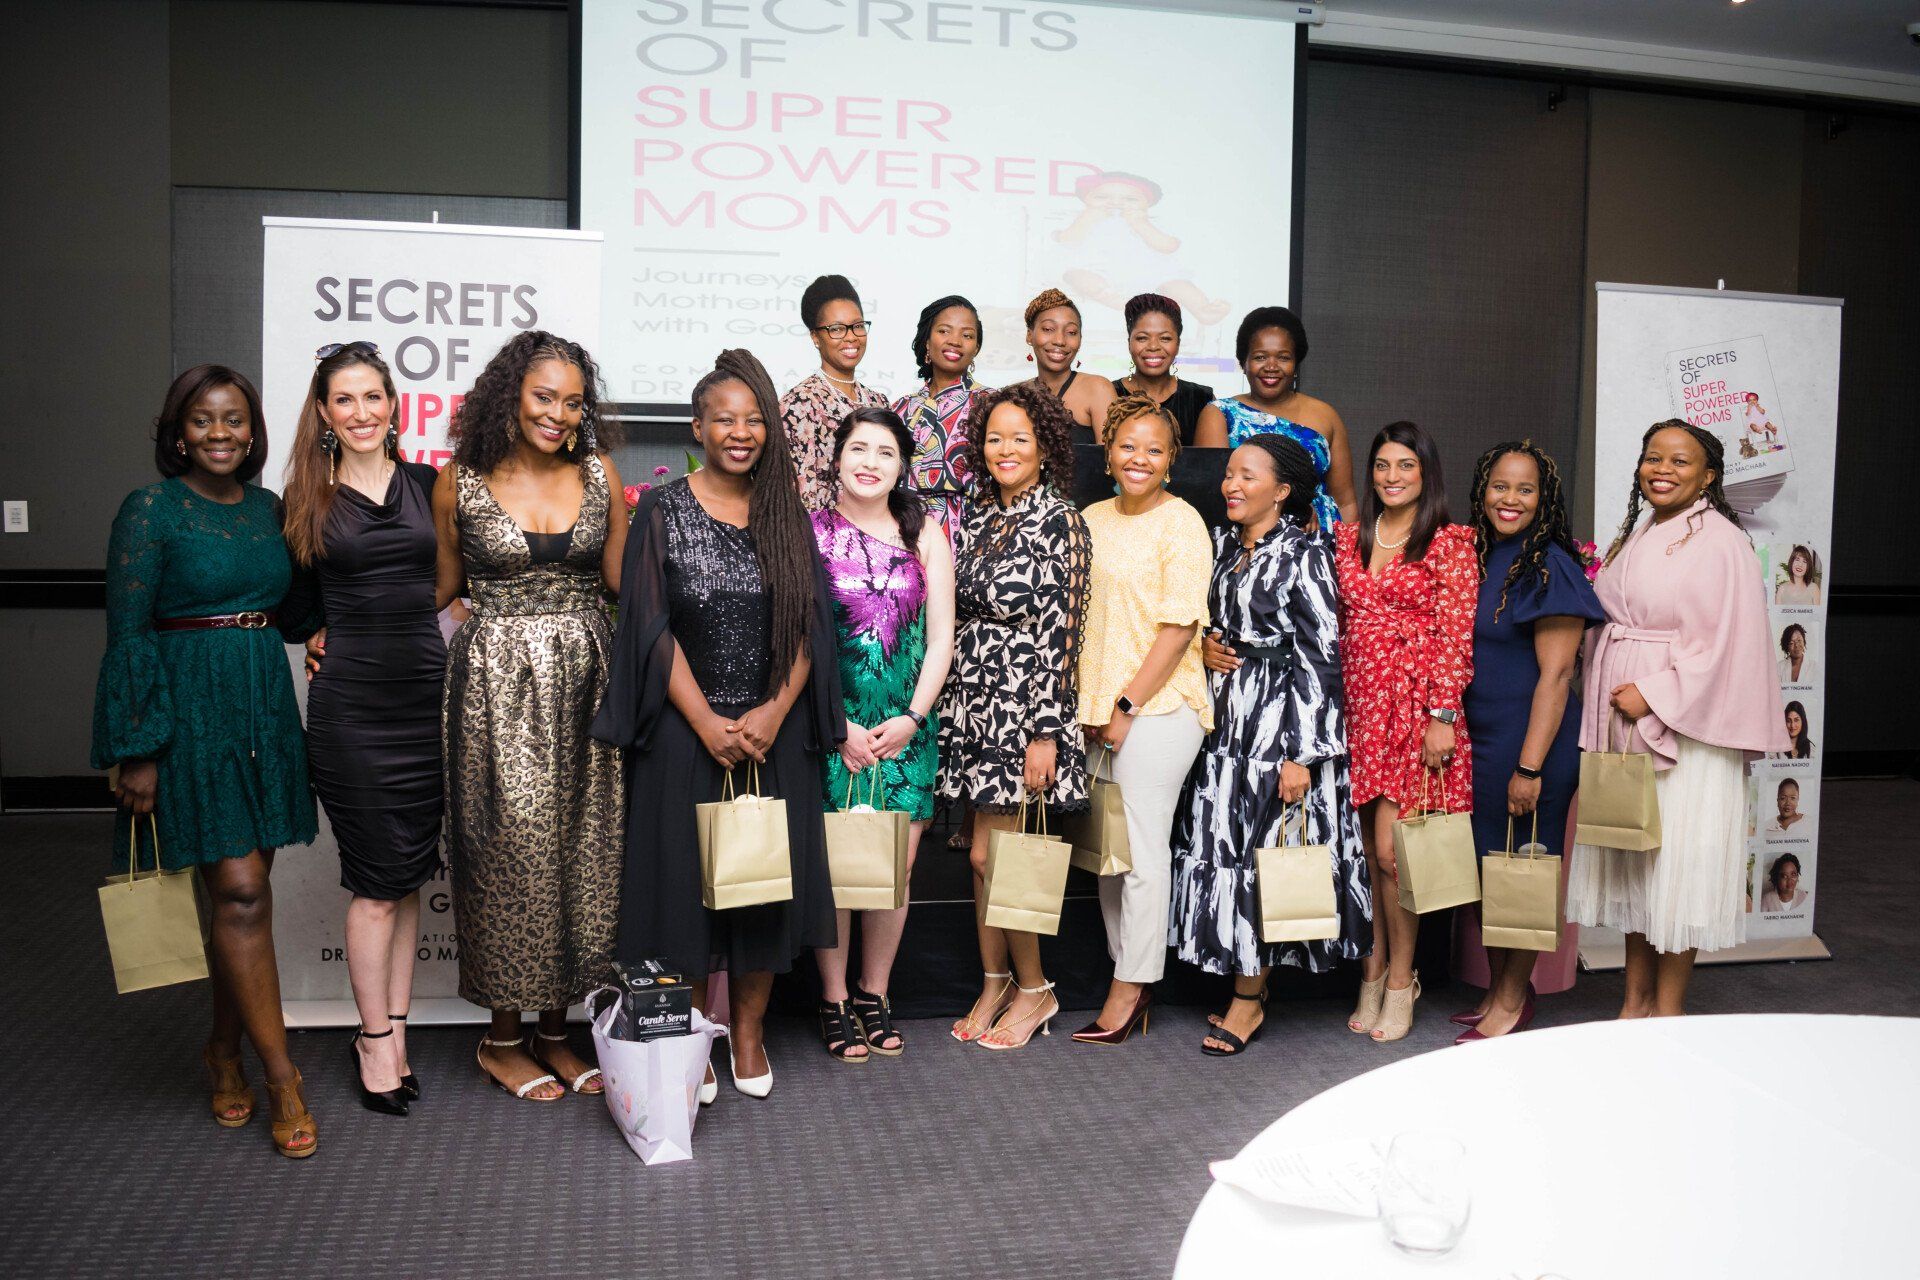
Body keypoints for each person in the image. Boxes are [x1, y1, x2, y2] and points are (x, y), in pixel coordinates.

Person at [594, 349, 841, 1100]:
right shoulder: (663, 511)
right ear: (697, 428)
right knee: (687, 889)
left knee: (763, 889)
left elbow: (809, 626)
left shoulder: (784, 513)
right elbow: (647, 625)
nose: (741, 432)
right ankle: (697, 1032)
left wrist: (770, 712)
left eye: (753, 419)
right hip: (684, 727)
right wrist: (704, 720)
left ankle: (752, 1033)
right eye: (724, 419)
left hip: (773, 727)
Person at [91, 365, 319, 1158]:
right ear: (177, 432)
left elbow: (293, 612)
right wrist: (138, 750)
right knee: (244, 892)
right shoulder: (150, 510)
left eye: (234, 420)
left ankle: (221, 1051)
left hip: (262, 704)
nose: (219, 434)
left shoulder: (270, 510)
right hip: (187, 715)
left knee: (239, 902)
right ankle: (280, 1075)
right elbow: (127, 633)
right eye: (202, 421)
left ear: (253, 432)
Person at [439, 331, 627, 1102]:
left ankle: (557, 1030)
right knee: (510, 853)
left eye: (573, 400)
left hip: (590, 677)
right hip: (495, 686)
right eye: (544, 396)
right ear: (511, 394)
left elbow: (621, 583)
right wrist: (333, 630)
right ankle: (502, 1036)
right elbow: (441, 589)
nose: (558, 412)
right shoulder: (461, 481)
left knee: (586, 850)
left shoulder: (600, 472)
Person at [1569, 419, 1787, 1017]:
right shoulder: (1643, 531)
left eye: (1680, 461)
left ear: (1708, 476)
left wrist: (1658, 692)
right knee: (1640, 865)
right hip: (1626, 715)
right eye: (1652, 458)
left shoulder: (1721, 541)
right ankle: (1633, 1003)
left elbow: (1729, 645)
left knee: (1676, 867)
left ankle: (1668, 1012)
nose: (1661, 469)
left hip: (1685, 728)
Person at [282, 343, 445, 1115]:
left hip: (428, 698)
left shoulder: (428, 485)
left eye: (373, 396)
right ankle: (372, 1039)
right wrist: (319, 634)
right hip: (352, 709)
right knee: (376, 880)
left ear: (395, 404)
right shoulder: (305, 499)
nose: (361, 412)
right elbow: (289, 607)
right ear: (324, 412)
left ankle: (396, 1032)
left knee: (408, 874)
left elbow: (465, 578)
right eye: (344, 400)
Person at [1173, 434, 1368, 1056]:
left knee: (1263, 859)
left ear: (1282, 491)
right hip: (1224, 718)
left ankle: (1249, 1000)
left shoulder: (1305, 552)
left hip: (1279, 724)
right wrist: (1204, 645)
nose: (1230, 484)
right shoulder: (1226, 544)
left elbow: (1322, 656)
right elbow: (1210, 621)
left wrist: (1304, 754)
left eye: (1247, 476)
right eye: (1229, 474)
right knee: (1226, 850)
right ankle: (1237, 976)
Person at [939, 382, 1091, 1051]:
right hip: (974, 702)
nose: (1004, 450)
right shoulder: (979, 513)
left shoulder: (1060, 519)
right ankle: (995, 978)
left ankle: (1036, 990)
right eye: (994, 437)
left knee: (996, 856)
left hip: (1023, 705)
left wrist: (1047, 732)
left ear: (1045, 447)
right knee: (980, 858)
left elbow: (1065, 633)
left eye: (1019, 438)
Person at [812, 407, 956, 1060]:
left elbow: (941, 639)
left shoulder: (926, 532)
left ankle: (876, 991)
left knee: (891, 874)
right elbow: (796, 641)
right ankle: (834, 997)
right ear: (837, 458)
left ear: (902, 466)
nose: (870, 462)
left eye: (886, 453)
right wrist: (836, 723)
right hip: (831, 729)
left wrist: (913, 718)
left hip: (905, 730)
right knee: (840, 870)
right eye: (859, 449)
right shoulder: (809, 533)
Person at [1452, 442, 1604, 1043]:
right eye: (1499, 486)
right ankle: (1501, 991)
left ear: (1546, 500)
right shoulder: (1481, 555)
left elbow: (1558, 676)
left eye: (1525, 489)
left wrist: (1530, 766)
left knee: (1521, 872)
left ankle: (1512, 1001)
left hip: (1528, 745)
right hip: (1482, 743)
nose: (1509, 499)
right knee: (1495, 877)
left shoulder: (1551, 567)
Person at [1071, 394, 1211, 1044]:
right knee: (1109, 853)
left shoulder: (1181, 523)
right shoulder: (1090, 517)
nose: (1139, 458)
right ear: (1109, 456)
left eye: (1154, 450)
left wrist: (1126, 706)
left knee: (1143, 855)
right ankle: (1126, 969)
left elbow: (1180, 628)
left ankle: (1132, 986)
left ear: (1171, 462)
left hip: (1157, 710)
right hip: (1095, 711)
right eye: (1128, 446)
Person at [1334, 421, 1476, 1043]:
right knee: (1365, 854)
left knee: (1398, 856)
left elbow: (1455, 634)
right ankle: (1371, 970)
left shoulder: (1448, 542)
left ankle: (1400, 978)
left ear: (1427, 474)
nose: (1392, 477)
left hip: (1414, 709)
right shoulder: (1349, 538)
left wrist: (1441, 716)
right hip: (1356, 705)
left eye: (1406, 467)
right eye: (1383, 466)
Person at [1193, 307, 1356, 524]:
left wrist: (1347, 555)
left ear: (1296, 364)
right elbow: (1214, 497)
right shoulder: (1219, 414)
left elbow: (1345, 503)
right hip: (1244, 545)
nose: (1271, 367)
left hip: (1322, 544)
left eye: (1283, 358)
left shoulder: (1326, 416)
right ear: (1244, 363)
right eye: (1260, 357)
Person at [780, 274, 889, 512]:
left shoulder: (878, 402)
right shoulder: (799, 404)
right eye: (837, 329)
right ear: (815, 337)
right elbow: (802, 495)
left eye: (858, 326)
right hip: (825, 541)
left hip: (878, 533)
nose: (851, 337)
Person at [894, 294, 985, 533]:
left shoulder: (991, 404)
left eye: (967, 335)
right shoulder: (900, 409)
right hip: (901, 536)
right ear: (927, 340)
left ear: (976, 348)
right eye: (944, 331)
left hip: (965, 537)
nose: (955, 341)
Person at [1108, 294, 1216, 445]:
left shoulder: (1201, 399)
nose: (1153, 346)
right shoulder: (1108, 395)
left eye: (1165, 338)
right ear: (1129, 343)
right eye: (1142, 338)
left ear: (1178, 344)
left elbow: (1209, 465)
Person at [1019, 287, 1115, 436]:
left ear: (1080, 340)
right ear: (1029, 335)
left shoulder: (1098, 389)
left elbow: (1112, 457)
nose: (1060, 340)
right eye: (1048, 329)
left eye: (1071, 332)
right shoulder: (1015, 394)